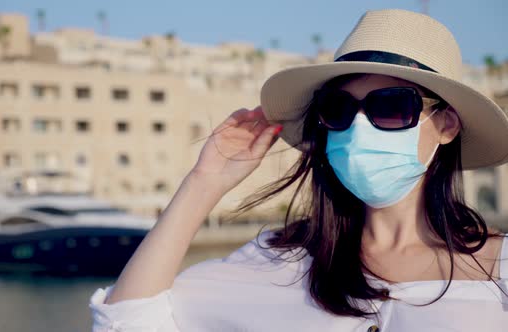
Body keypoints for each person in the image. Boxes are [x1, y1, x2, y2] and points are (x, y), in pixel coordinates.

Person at [89, 8, 508, 332]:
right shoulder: (280, 263)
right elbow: (128, 322)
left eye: (392, 107)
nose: (359, 126)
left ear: (447, 124)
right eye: (339, 108)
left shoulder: (501, 270)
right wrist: (204, 183)